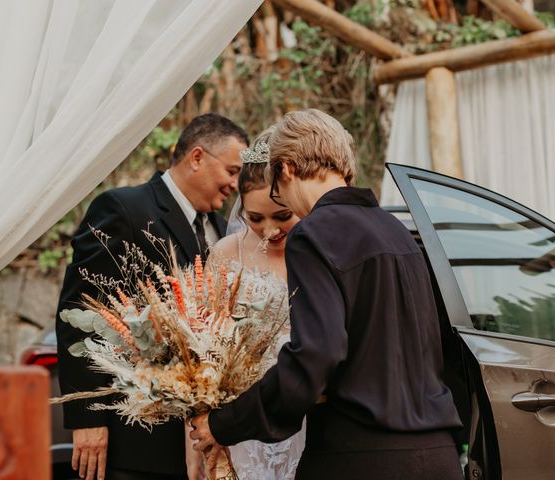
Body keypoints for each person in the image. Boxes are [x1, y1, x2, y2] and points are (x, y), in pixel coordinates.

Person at [190, 109, 463, 480]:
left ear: (285, 169)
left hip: (361, 457)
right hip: (437, 456)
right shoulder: (397, 233)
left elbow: (317, 356)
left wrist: (225, 424)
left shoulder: (315, 233)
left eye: (276, 189)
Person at [56, 113, 248, 480]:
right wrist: (89, 419)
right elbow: (80, 312)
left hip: (203, 442)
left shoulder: (224, 233)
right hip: (135, 441)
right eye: (231, 171)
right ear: (197, 157)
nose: (235, 185)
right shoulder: (123, 209)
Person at [185, 128, 304, 480]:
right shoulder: (226, 253)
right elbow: (200, 349)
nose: (269, 230)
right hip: (239, 417)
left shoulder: (316, 252)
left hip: (305, 413)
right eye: (255, 219)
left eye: (282, 216)